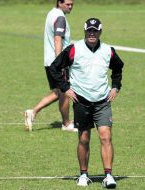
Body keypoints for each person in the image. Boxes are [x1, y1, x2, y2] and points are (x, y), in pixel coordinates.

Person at [49, 18, 124, 188]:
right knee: (84, 139)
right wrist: (65, 88)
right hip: (81, 101)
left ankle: (108, 176)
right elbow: (54, 68)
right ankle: (83, 175)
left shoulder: (108, 51)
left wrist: (116, 87)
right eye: (89, 30)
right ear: (84, 31)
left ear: (100, 32)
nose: (92, 33)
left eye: (95, 31)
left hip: (103, 101)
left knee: (106, 136)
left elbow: (118, 68)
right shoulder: (74, 49)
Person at [24, 0, 76, 132]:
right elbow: (58, 39)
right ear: (59, 2)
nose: (70, 7)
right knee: (64, 92)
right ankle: (66, 123)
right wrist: (60, 63)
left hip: (49, 62)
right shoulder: (59, 17)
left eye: (72, 4)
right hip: (57, 62)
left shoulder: (51, 13)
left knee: (57, 92)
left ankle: (33, 112)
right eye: (67, 4)